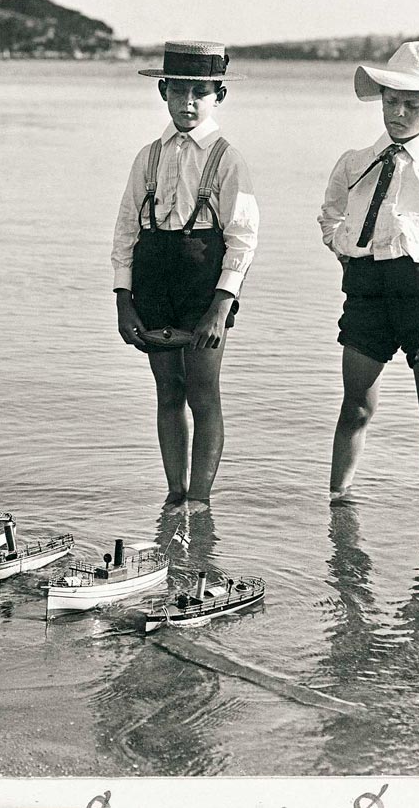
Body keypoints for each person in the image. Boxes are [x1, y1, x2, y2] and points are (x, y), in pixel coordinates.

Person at [318, 41, 419, 517]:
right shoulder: (353, 162)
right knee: (356, 408)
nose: (400, 113)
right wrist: (348, 255)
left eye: (414, 105)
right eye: (392, 101)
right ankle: (338, 505)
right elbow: (329, 217)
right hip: (366, 294)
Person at [112, 40, 259, 506]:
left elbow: (242, 237)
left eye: (200, 92)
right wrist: (123, 298)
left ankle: (200, 499)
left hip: (203, 289)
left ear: (219, 95)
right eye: (178, 91)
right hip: (154, 284)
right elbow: (124, 231)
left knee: (203, 393)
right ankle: (174, 495)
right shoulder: (148, 156)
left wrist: (222, 304)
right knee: (167, 390)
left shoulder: (227, 158)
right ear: (163, 91)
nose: (188, 102)